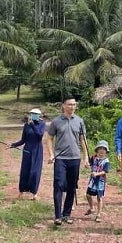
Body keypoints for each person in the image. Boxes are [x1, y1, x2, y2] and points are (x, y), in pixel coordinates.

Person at [46, 96, 89, 226]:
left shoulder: (80, 121)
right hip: (60, 159)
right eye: (69, 104)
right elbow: (49, 138)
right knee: (58, 185)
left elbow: (83, 140)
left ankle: (66, 214)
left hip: (75, 158)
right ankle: (58, 215)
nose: (72, 107)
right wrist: (51, 154)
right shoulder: (56, 121)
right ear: (63, 105)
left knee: (71, 187)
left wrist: (86, 156)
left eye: (74, 104)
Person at [9, 108, 45, 200]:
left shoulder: (42, 124)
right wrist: (14, 145)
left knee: (35, 171)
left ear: (39, 115)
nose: (34, 115)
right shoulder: (26, 125)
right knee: (25, 171)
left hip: (37, 150)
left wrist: (33, 125)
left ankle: (34, 193)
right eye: (32, 114)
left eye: (36, 114)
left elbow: (39, 136)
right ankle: (21, 192)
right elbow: (23, 140)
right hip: (27, 150)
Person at [84, 140, 110, 222]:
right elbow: (89, 163)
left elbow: (105, 171)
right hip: (92, 181)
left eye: (104, 149)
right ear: (97, 150)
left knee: (99, 197)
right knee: (88, 195)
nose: (102, 150)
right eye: (100, 148)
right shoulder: (94, 157)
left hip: (100, 182)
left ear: (106, 151)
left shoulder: (106, 161)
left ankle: (99, 214)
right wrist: (87, 164)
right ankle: (92, 208)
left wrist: (97, 174)